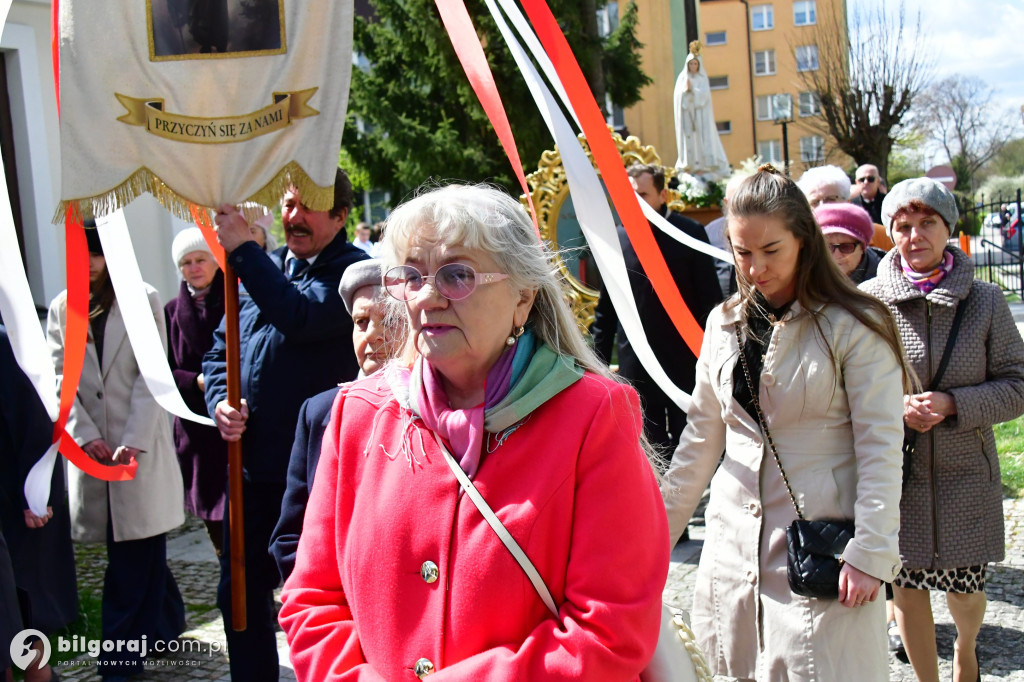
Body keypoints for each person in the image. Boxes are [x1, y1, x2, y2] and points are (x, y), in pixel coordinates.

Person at [279, 184, 669, 680]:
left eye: (456, 275)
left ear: (523, 299)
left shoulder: (593, 416)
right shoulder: (359, 413)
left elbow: (611, 629)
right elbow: (311, 598)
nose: (426, 297)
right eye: (411, 276)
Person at [661, 166, 909, 681]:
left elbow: (882, 446)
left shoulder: (855, 324)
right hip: (731, 547)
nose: (754, 268)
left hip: (820, 549)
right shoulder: (724, 321)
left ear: (803, 238)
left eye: (770, 251)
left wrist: (871, 551)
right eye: (742, 252)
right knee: (732, 665)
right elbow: (701, 438)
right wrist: (656, 537)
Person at [202, 168, 368, 682]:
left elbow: (298, 315)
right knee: (239, 595)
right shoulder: (266, 268)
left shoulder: (351, 274)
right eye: (290, 205)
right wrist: (219, 404)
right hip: (250, 466)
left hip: (318, 473)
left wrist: (244, 252)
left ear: (341, 217)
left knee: (321, 596)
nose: (294, 218)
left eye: (309, 207)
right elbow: (218, 354)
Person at [862, 177, 1024, 682]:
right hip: (899, 473)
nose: (915, 236)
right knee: (906, 588)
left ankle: (967, 650)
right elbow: (849, 387)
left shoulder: (986, 300)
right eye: (903, 226)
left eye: (926, 223)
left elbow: (1018, 385)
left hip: (965, 472)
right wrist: (895, 406)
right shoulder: (868, 302)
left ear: (948, 228)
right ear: (890, 232)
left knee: (965, 589)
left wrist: (954, 403)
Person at [46, 226, 185, 680]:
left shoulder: (141, 298)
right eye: (80, 255)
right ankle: (167, 626)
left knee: (132, 559)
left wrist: (135, 437)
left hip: (138, 452)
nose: (88, 264)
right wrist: (83, 434)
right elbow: (55, 380)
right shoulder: (63, 308)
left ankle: (119, 664)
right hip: (94, 455)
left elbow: (153, 373)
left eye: (96, 255)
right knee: (137, 549)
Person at [270, 259, 406, 581]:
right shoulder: (320, 413)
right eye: (361, 322)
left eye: (390, 320)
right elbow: (289, 540)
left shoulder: (442, 412)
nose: (373, 335)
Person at [591, 163, 722, 463]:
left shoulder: (690, 232)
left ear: (663, 194)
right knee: (647, 450)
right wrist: (597, 365)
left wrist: (714, 356)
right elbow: (606, 312)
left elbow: (710, 301)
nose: (634, 202)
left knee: (691, 442)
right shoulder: (616, 239)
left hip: (686, 362)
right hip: (636, 364)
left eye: (643, 194)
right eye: (628, 195)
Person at [1, 325, 76, 682]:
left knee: (25, 601)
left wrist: (36, 495)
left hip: (17, 498)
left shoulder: (6, 343)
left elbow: (34, 419)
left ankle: (40, 676)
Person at [164, 228, 228, 555]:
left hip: (234, 424)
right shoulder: (171, 312)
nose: (194, 267)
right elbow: (163, 369)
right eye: (186, 262)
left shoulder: (236, 300)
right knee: (216, 528)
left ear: (216, 261)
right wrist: (196, 381)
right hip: (196, 429)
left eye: (200, 259)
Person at [673, 41, 730, 178]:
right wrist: (685, 92)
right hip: (687, 115)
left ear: (699, 65)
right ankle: (690, 165)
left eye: (695, 64)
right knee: (690, 139)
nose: (693, 66)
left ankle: (704, 166)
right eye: (691, 64)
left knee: (701, 139)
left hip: (700, 116)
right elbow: (678, 97)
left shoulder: (702, 79)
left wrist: (694, 91)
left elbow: (704, 96)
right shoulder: (682, 78)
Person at [814, 202, 886, 284]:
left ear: (862, 248)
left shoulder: (888, 281)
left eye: (846, 247)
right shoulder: (804, 280)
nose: (837, 255)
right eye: (828, 247)